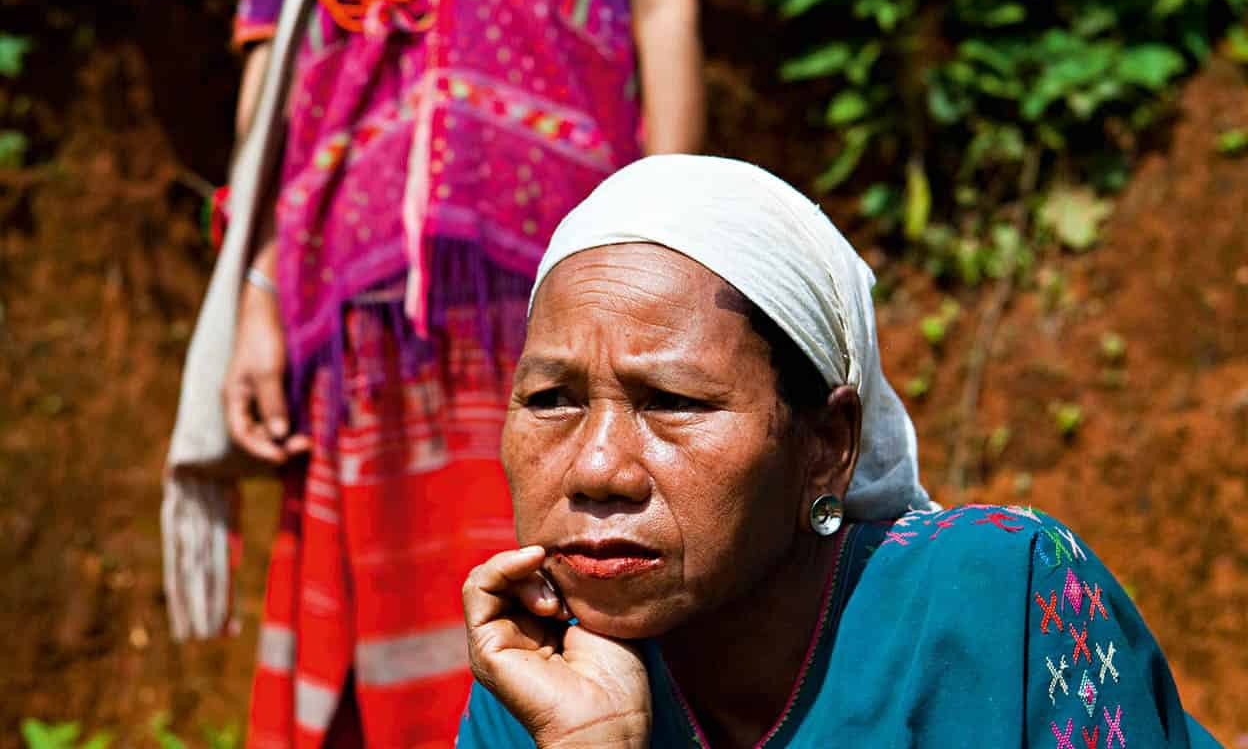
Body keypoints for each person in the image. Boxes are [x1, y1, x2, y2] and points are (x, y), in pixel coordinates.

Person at [204, 0, 721, 743]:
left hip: (557, 302)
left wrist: (676, 232)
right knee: (383, 681)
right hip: (357, 317)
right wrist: (259, 296)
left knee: (588, 600)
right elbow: (270, 81)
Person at [459, 155, 1221, 749]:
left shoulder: (995, 603)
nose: (596, 469)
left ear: (826, 446)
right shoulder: (536, 675)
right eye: (552, 400)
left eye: (673, 403)